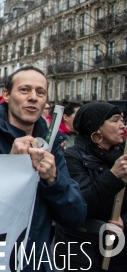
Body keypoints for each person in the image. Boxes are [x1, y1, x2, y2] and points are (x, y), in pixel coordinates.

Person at [0, 66, 86, 272]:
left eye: (40, 92)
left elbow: (75, 216)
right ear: (6, 94)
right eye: (24, 90)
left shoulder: (52, 146)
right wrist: (11, 168)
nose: (33, 97)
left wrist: (54, 179)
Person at [54, 102, 127, 271]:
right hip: (81, 245)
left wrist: (123, 222)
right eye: (115, 120)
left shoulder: (123, 156)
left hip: (118, 247)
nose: (122, 125)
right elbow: (80, 204)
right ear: (96, 128)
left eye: (122, 120)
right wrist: (113, 175)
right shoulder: (72, 157)